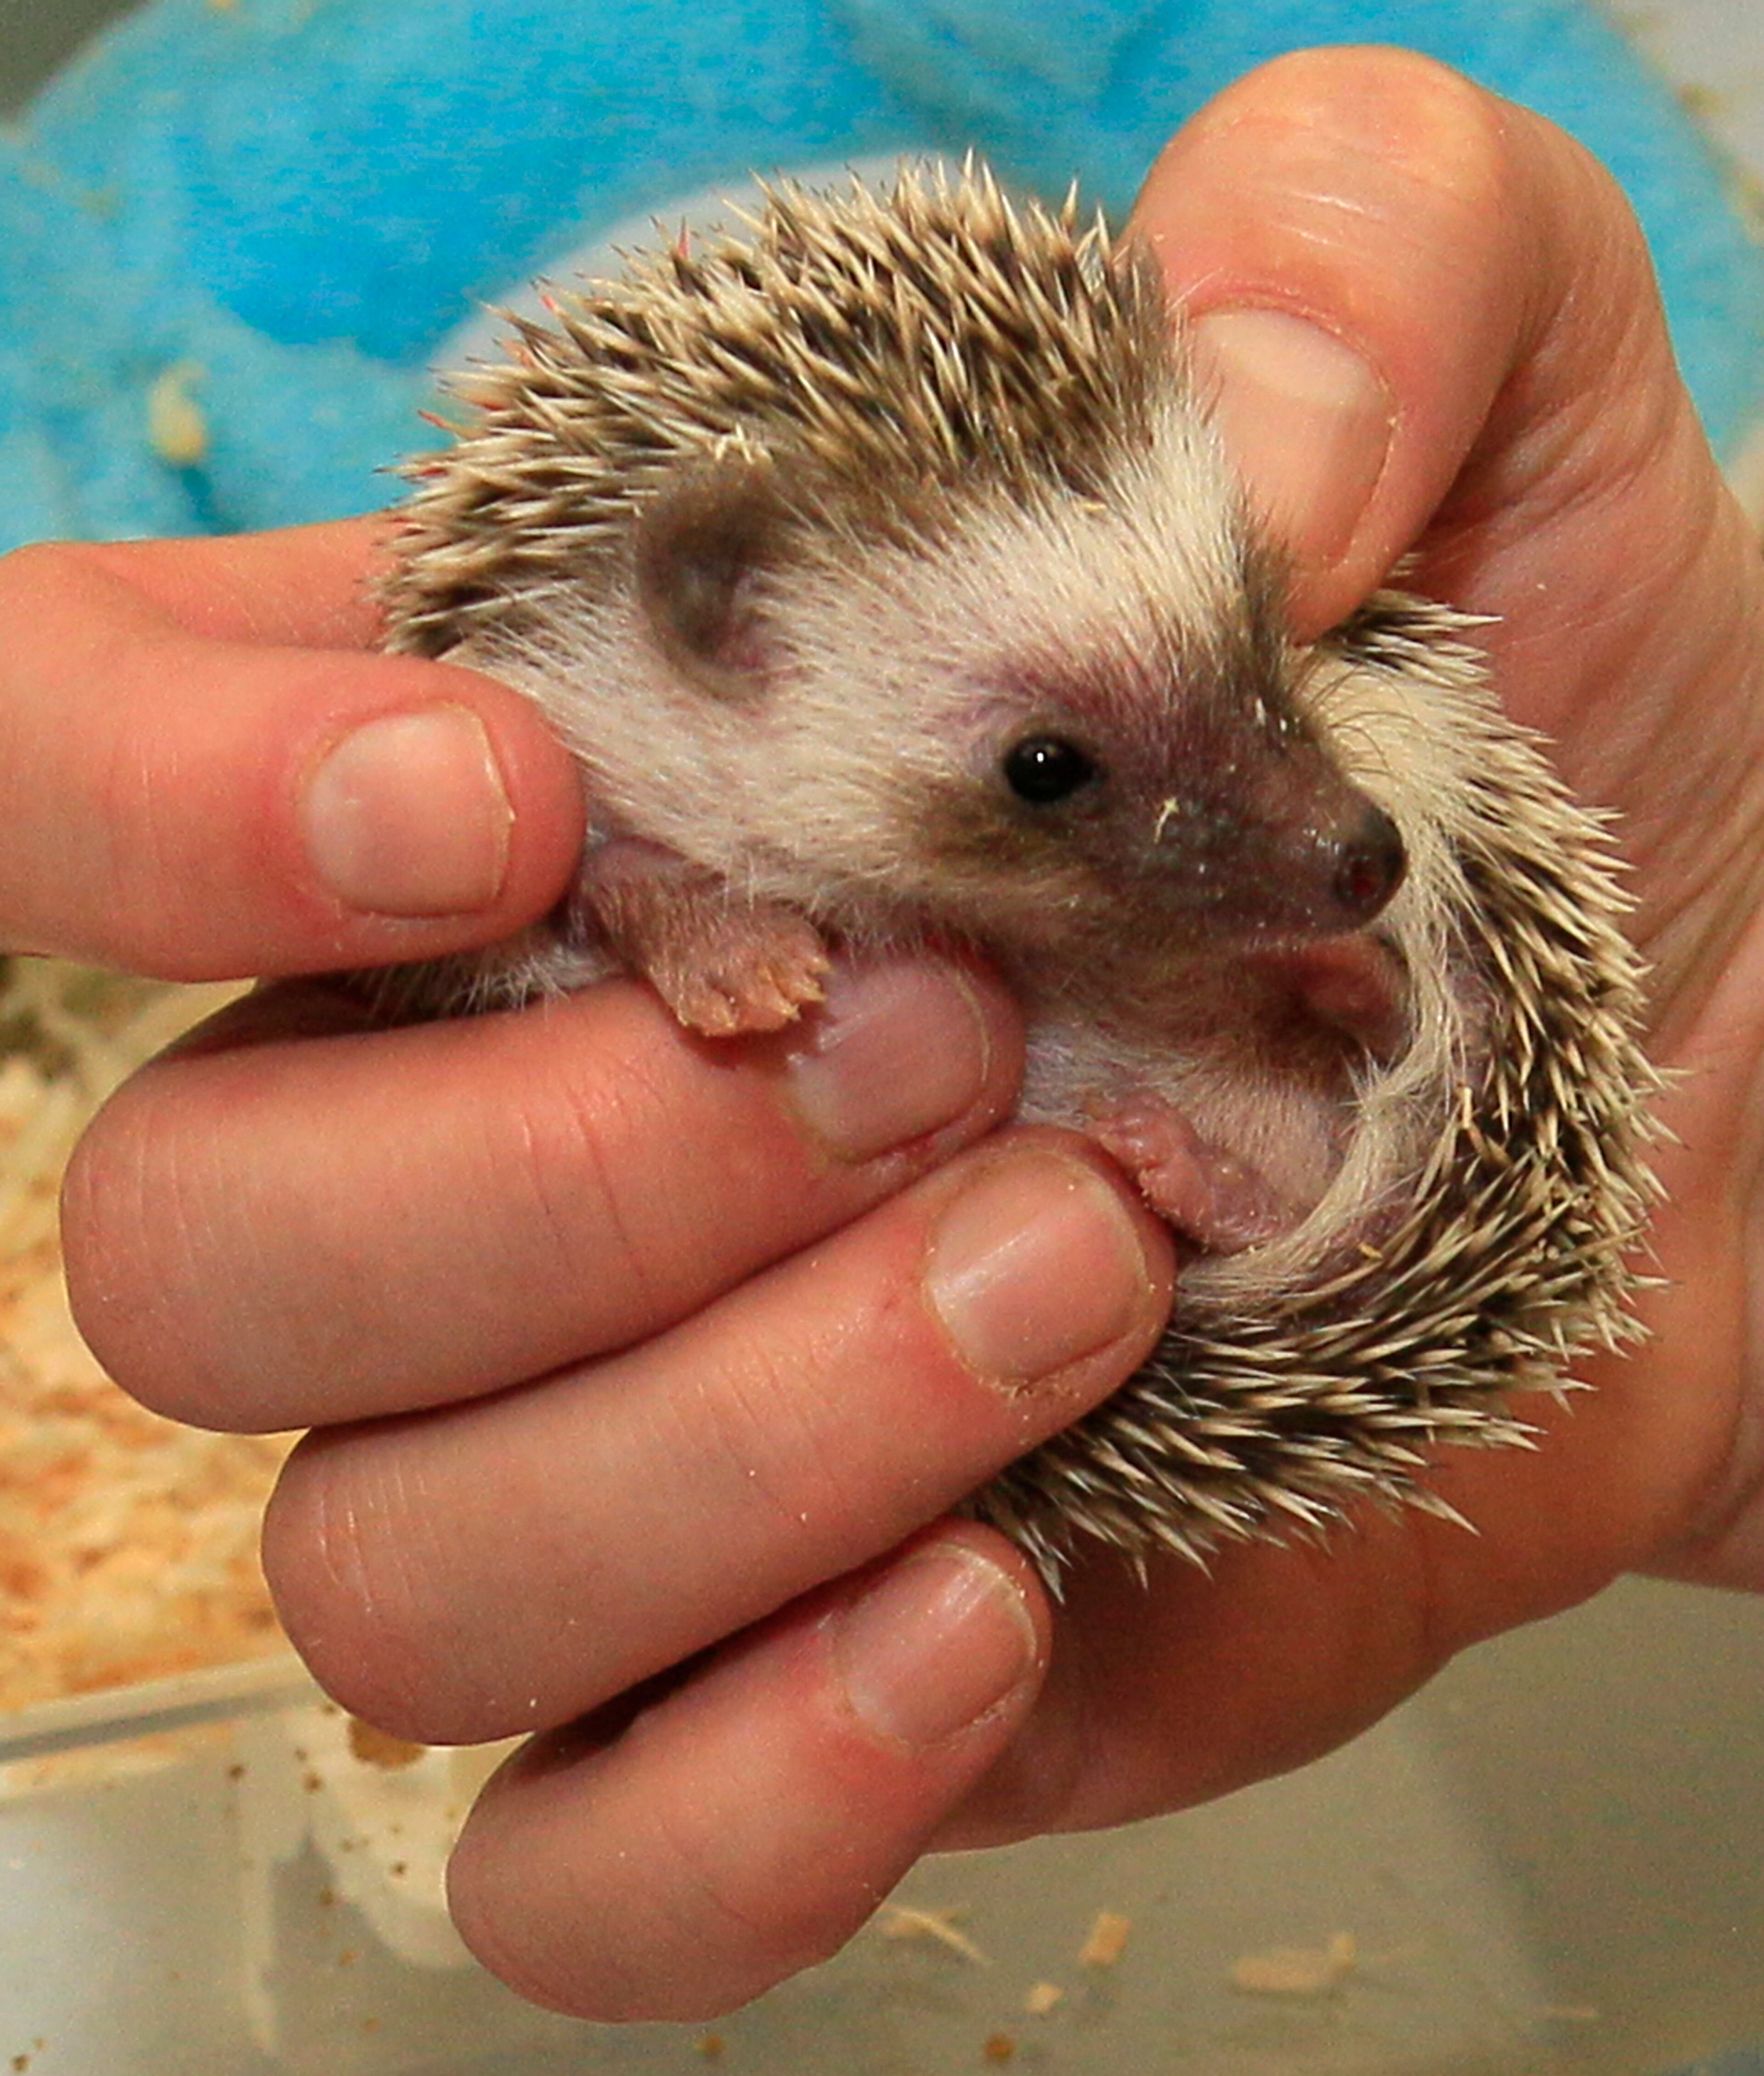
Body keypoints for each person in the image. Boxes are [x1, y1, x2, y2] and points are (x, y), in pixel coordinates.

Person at [14, 45, 1764, 2020]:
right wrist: (636, 905)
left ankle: (1241, 1127)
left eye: (1241, 644)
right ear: (717, 634)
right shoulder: (552, 729)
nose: (1326, 837)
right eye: (1046, 765)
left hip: (1300, 1117)